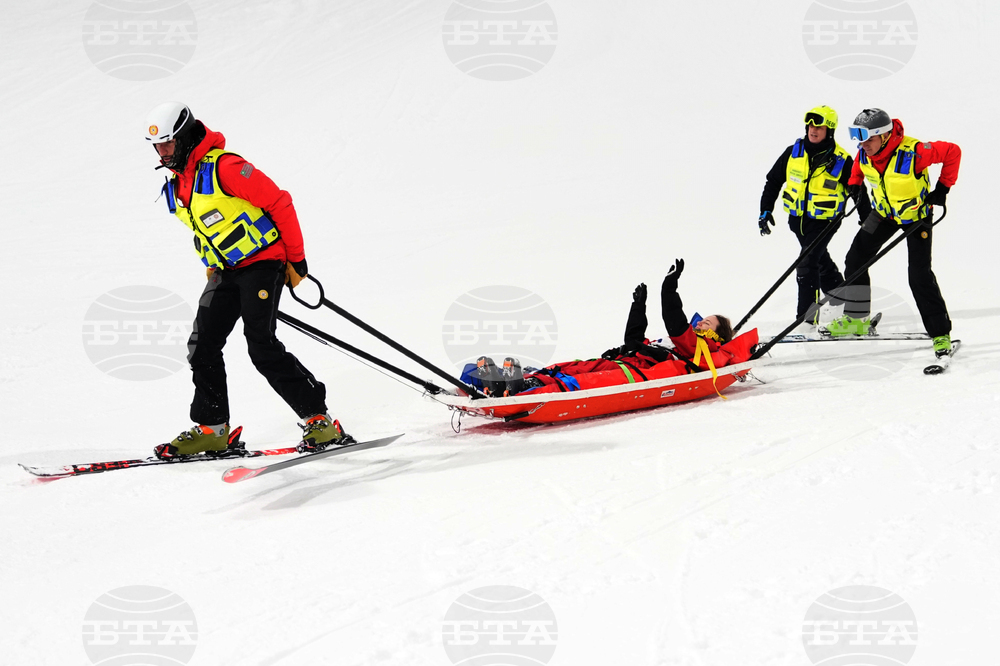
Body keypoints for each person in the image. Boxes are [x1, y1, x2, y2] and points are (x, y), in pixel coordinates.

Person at [144, 102, 350, 459]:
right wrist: (211, 265)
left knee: (261, 344)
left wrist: (296, 261)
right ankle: (212, 429)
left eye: (168, 145)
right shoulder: (180, 183)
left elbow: (280, 204)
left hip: (263, 264)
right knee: (202, 345)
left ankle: (320, 420)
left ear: (187, 137)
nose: (163, 154)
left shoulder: (226, 167)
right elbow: (207, 229)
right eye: (158, 147)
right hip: (226, 271)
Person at [475, 260, 742, 397]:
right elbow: (634, 340)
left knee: (577, 382)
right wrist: (638, 306)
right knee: (571, 367)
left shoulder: (703, 349)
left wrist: (668, 287)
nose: (700, 323)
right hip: (625, 362)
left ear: (716, 335)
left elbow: (675, 320)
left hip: (633, 375)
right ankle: (509, 379)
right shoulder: (680, 342)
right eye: (702, 319)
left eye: (707, 323)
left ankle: (523, 388)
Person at [825, 108, 961, 360]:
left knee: (918, 275)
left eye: (868, 139)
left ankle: (940, 333)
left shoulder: (915, 152)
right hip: (883, 215)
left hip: (915, 216)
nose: (863, 144)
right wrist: (854, 186)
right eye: (859, 138)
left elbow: (953, 151)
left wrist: (943, 188)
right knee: (855, 261)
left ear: (885, 136)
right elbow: (858, 169)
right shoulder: (865, 153)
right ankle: (856, 320)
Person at [758, 106, 869, 324]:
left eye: (819, 126)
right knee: (818, 261)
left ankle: (806, 320)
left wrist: (869, 222)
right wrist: (765, 210)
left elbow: (859, 191)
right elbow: (773, 182)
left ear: (830, 130)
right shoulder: (793, 152)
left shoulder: (841, 160)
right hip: (797, 220)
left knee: (807, 264)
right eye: (810, 125)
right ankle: (842, 294)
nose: (813, 130)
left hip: (825, 221)